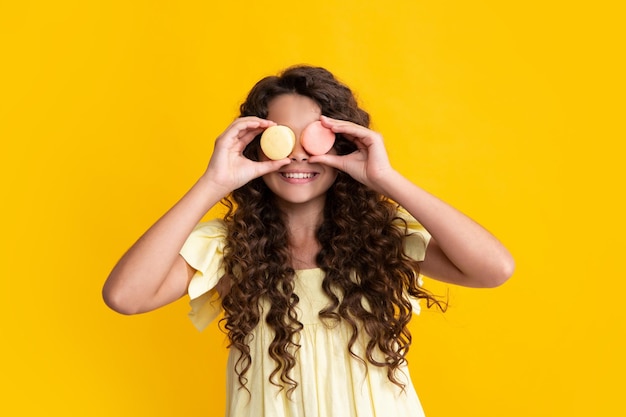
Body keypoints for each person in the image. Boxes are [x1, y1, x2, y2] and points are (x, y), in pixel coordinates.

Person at [102, 65, 515, 417]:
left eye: (313, 139)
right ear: (256, 149)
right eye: (282, 139)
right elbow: (125, 296)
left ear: (342, 143)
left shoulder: (382, 236)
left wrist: (385, 178)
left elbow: (494, 269)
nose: (298, 155)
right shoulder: (230, 247)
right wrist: (212, 183)